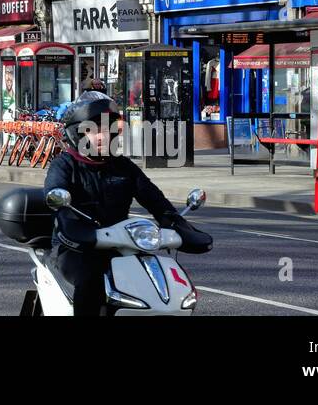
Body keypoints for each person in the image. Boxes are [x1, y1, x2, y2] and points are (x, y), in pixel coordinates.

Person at [44, 91, 211, 316]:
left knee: (158, 277)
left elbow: (154, 199)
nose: (104, 136)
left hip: (123, 244)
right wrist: (71, 224)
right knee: (90, 280)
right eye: (95, 131)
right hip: (77, 246)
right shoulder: (64, 165)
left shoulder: (123, 166)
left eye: (108, 129)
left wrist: (177, 224)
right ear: (78, 133)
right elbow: (57, 198)